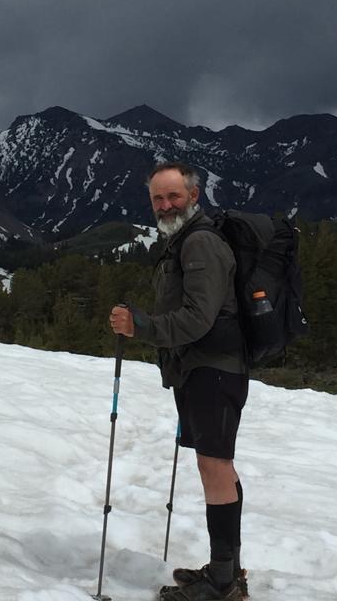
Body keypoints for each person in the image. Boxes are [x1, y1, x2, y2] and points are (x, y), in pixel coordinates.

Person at [109, 162, 249, 601]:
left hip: (214, 370)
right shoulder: (184, 239)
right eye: (158, 198)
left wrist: (141, 327)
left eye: (173, 196)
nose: (165, 205)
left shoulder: (200, 242)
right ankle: (227, 570)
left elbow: (198, 318)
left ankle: (223, 583)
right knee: (218, 466)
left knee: (215, 467)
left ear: (194, 195)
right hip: (204, 369)